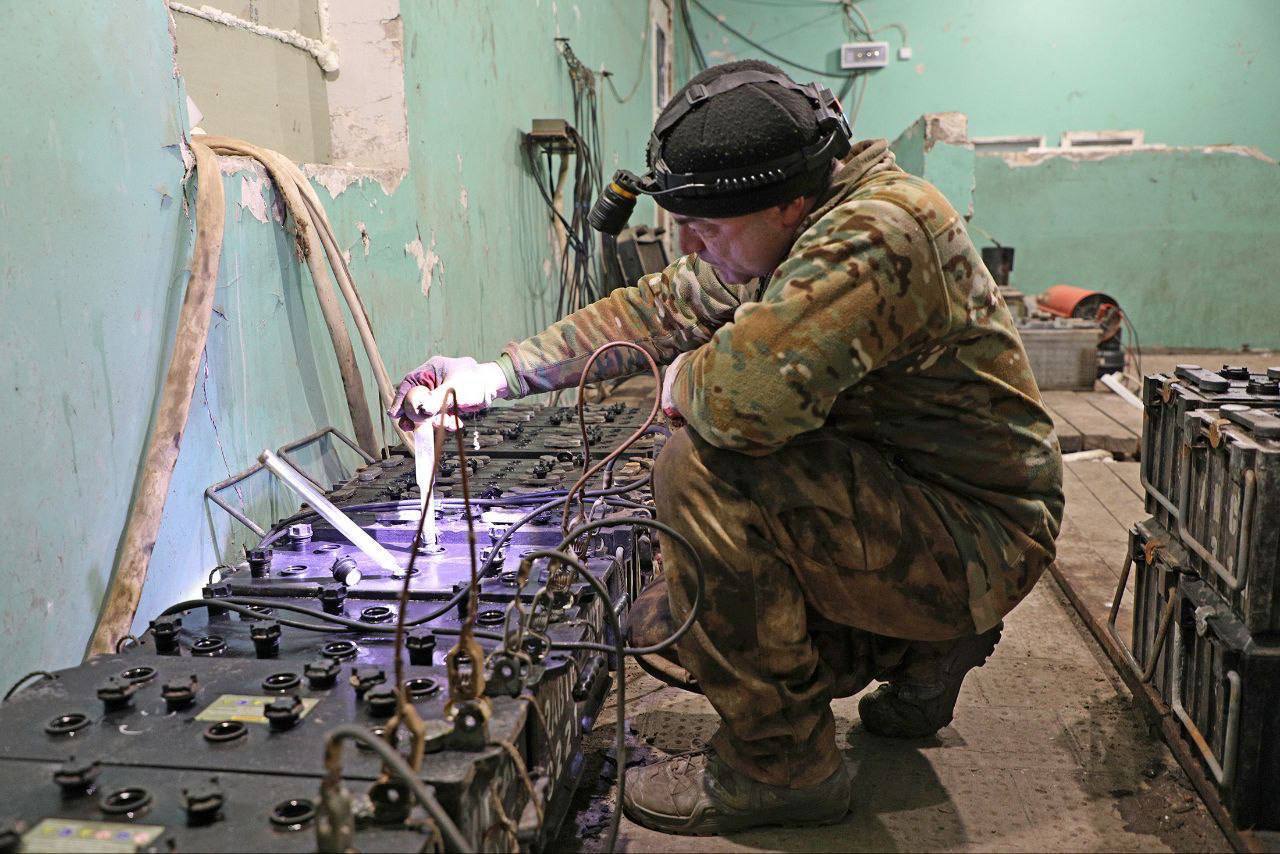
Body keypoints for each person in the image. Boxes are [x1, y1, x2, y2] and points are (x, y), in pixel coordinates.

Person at [390, 59, 1063, 836]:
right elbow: (661, 305)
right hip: (917, 497)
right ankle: (925, 649)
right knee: (664, 622)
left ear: (789, 203)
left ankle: (782, 769)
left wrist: (684, 378)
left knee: (701, 468)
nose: (690, 244)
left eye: (707, 228)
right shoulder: (795, 219)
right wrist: (496, 375)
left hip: (979, 534)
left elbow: (742, 402)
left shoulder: (877, 233)